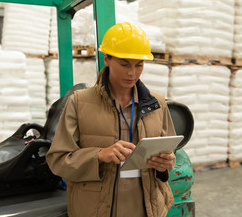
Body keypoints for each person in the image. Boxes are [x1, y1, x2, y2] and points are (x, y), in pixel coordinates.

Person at [46, 22, 176, 217]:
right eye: (124, 64)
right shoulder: (79, 102)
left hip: (146, 207)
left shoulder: (157, 103)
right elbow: (58, 160)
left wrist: (166, 163)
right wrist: (99, 155)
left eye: (139, 65)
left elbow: (169, 153)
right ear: (106, 58)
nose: (132, 73)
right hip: (96, 208)